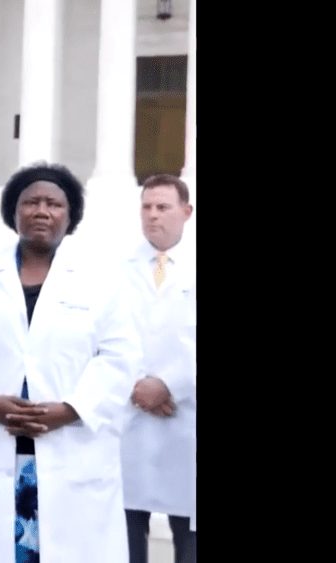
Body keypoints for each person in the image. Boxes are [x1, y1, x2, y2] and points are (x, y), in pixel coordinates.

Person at [0, 162, 141, 563]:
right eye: (31, 202)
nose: (42, 211)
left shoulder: (100, 277)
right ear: (13, 211)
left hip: (72, 450)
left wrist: (70, 409)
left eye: (54, 204)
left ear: (70, 217)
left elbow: (120, 355)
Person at [120, 174, 197, 563]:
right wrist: (137, 386)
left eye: (163, 207)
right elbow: (102, 335)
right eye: (146, 207)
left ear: (186, 212)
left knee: (189, 538)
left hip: (186, 416)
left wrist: (171, 386)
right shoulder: (117, 269)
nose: (152, 215)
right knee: (127, 535)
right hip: (129, 413)